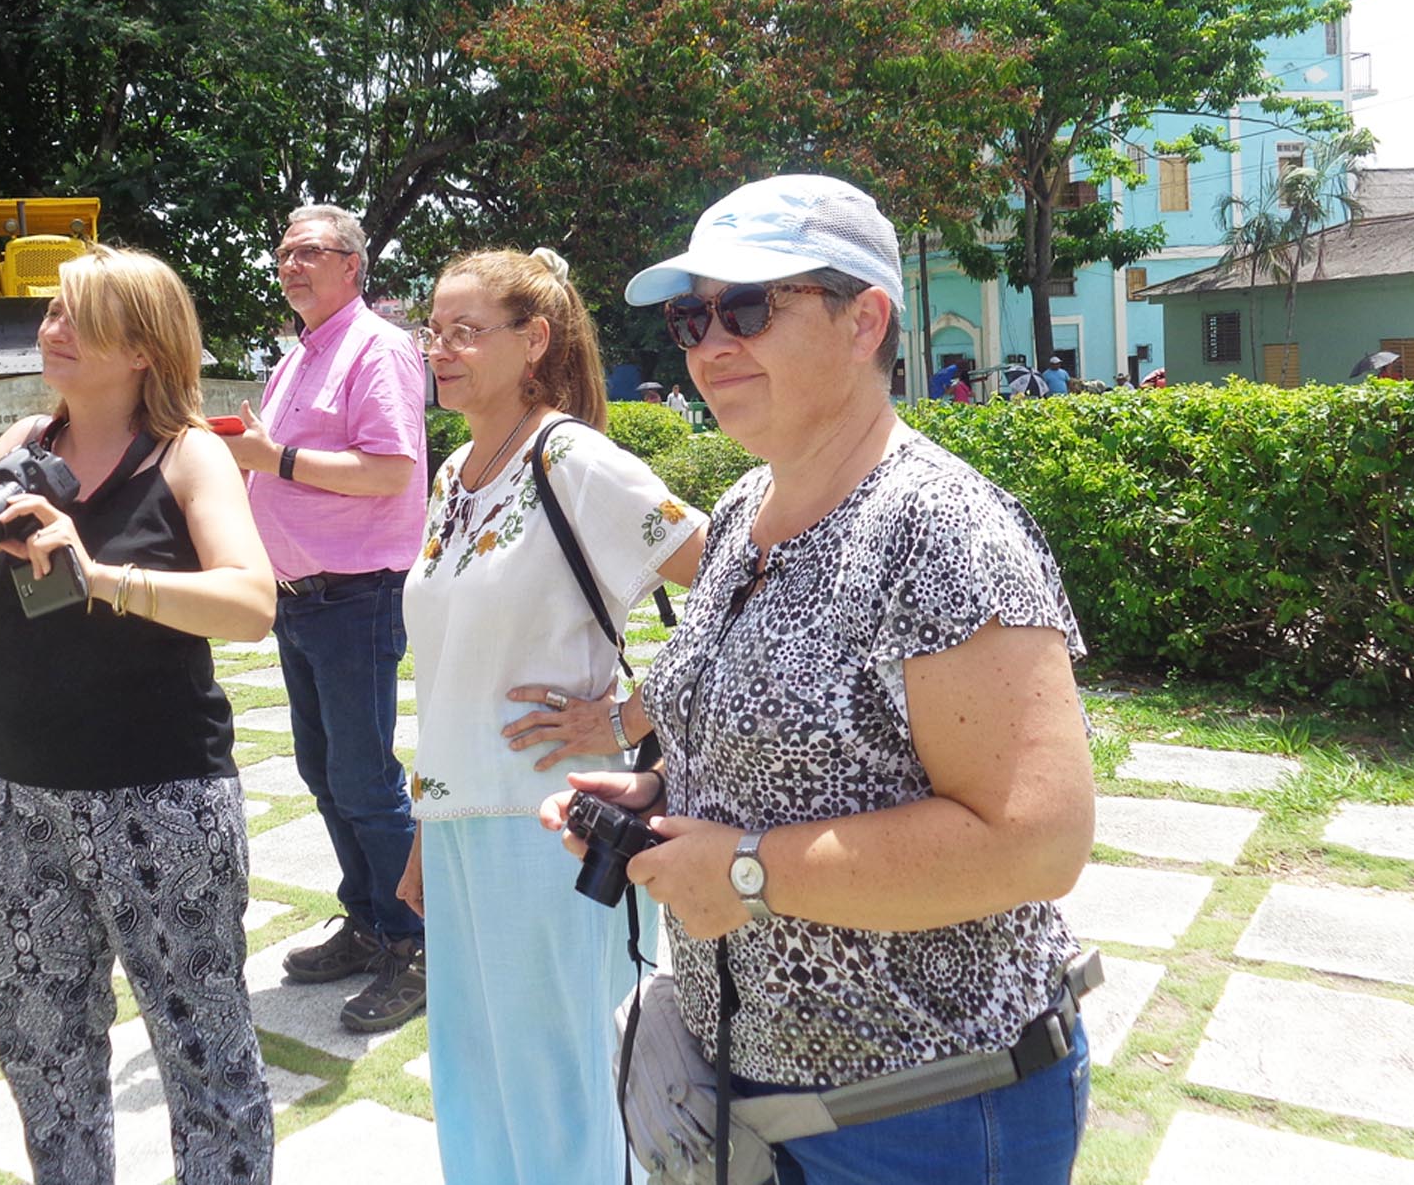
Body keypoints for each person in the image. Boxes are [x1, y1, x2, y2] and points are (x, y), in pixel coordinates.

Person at [543, 174, 1097, 1185]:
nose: (710, 344)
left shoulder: (939, 530)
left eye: (749, 308)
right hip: (749, 1099)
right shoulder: (742, 510)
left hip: (927, 1113)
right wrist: (662, 798)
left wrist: (747, 872)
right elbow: (798, 754)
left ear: (863, 321)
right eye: (691, 317)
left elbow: (1036, 841)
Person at [0, 245, 277, 1185]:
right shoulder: (25, 442)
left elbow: (251, 604)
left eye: (77, 316)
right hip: (17, 797)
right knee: (42, 1049)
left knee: (204, 1050)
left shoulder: (187, 455)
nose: (50, 329)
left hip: (162, 800)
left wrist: (97, 575)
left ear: (142, 346)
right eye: (53, 311)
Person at [399, 246, 706, 1185]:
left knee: (566, 1078)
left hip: (553, 825)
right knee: (476, 1072)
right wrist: (424, 834)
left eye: (465, 331)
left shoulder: (571, 457)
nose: (440, 350)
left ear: (533, 340)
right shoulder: (455, 471)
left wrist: (630, 716)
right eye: (433, 331)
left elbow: (738, 581)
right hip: (460, 826)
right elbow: (449, 671)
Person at [222, 203, 429, 1032]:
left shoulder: (377, 346)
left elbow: (389, 471)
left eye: (308, 251)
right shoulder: (300, 354)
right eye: (282, 254)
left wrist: (270, 457)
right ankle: (370, 920)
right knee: (322, 770)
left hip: (355, 596)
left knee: (365, 779)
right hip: (298, 598)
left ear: (352, 264)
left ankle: (417, 941)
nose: (290, 265)